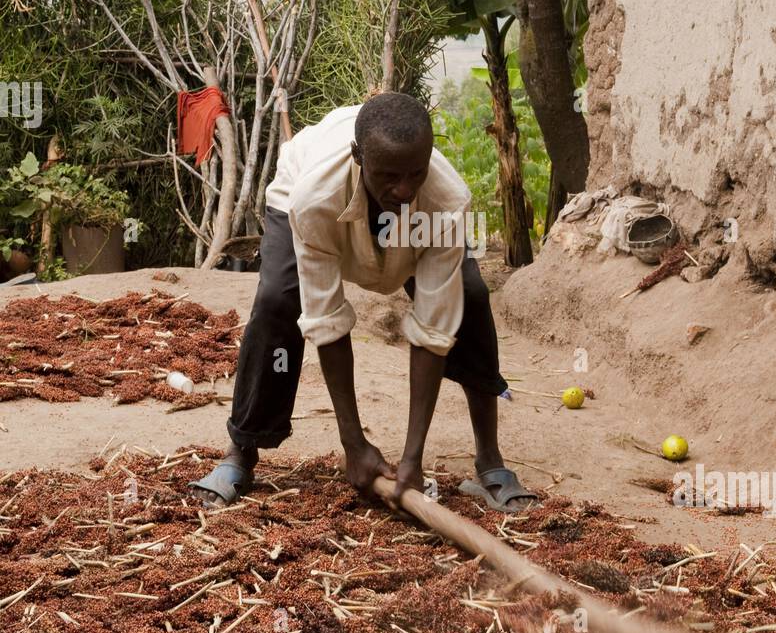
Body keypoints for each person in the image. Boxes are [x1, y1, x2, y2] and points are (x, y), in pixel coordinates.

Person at [191, 93, 536, 510]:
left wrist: (412, 458)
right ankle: (242, 450)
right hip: (304, 191)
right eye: (390, 176)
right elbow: (327, 319)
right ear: (358, 157)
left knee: (471, 295)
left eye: (416, 173)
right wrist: (352, 444)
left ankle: (490, 460)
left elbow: (433, 328)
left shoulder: (444, 202)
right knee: (278, 301)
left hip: (408, 230)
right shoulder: (314, 197)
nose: (406, 190)